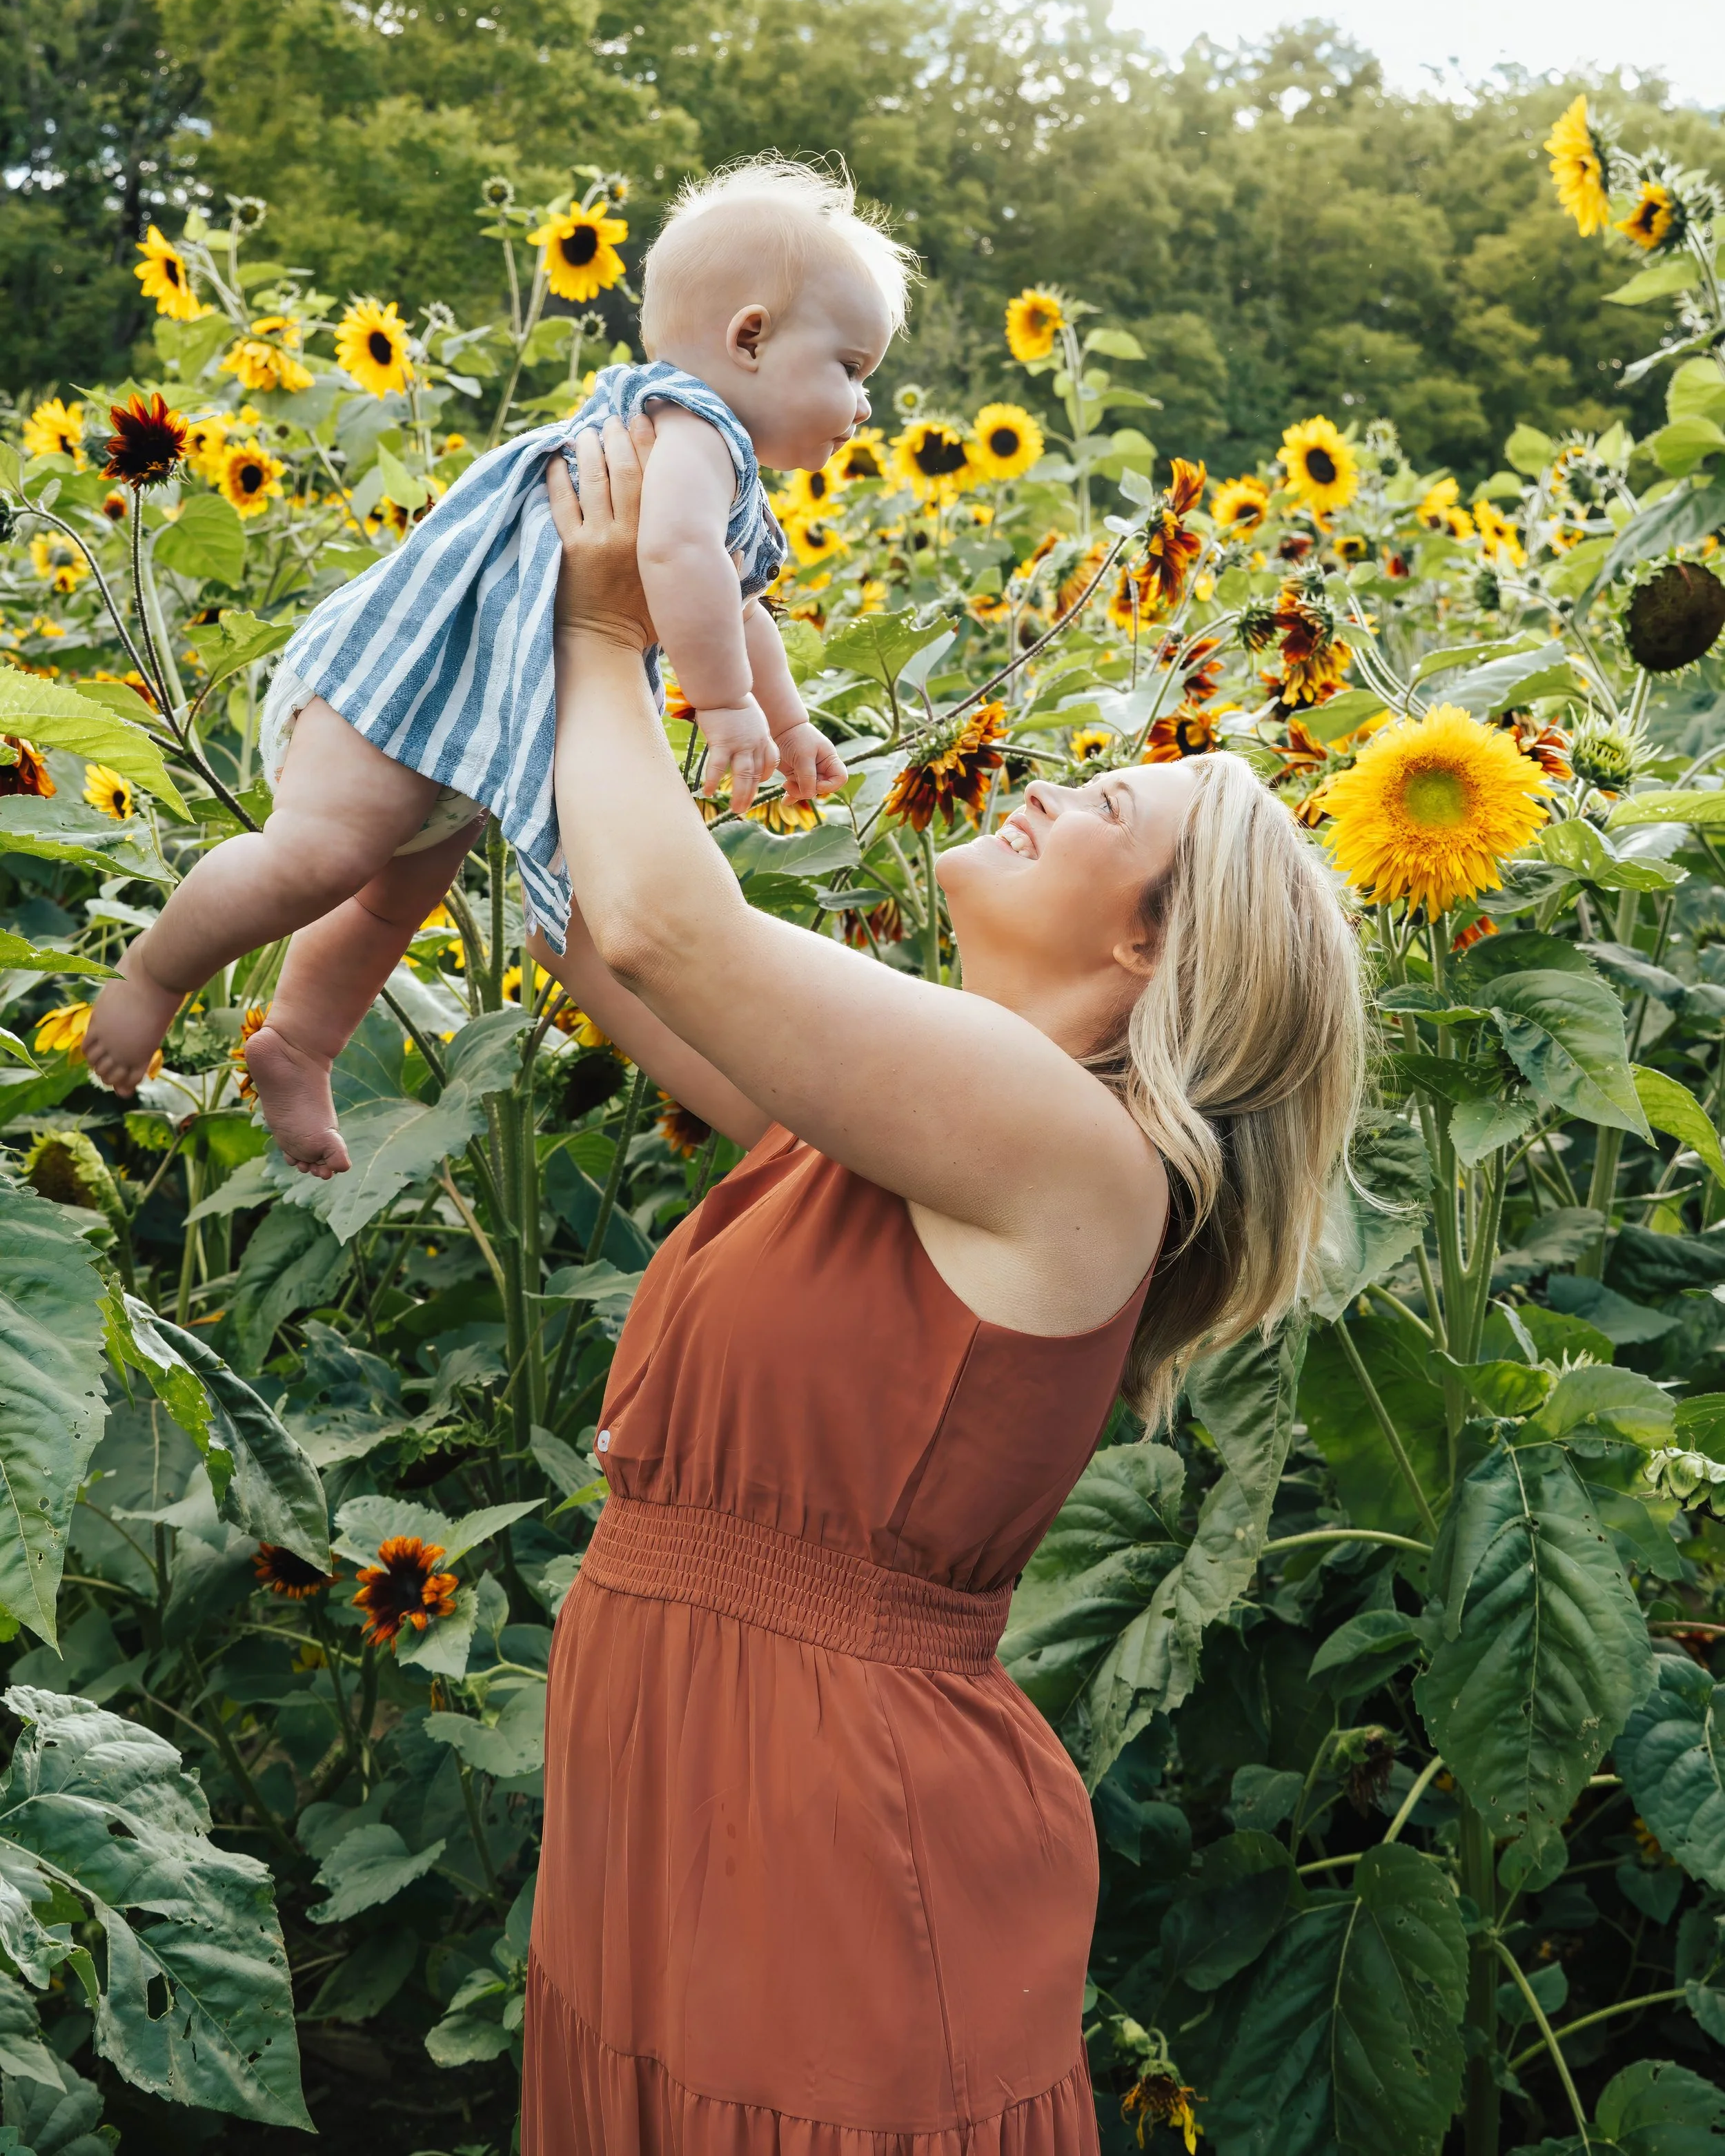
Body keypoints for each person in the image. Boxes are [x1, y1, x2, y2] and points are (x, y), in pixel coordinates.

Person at [521, 413, 1366, 2156]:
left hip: (831, 1821)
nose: (1051, 778)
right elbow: (591, 926)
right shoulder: (904, 1129)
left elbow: (672, 928)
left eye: (1106, 801)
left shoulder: (1066, 1152)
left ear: (1146, 946)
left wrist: (611, 630)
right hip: (689, 1779)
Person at [83, 160, 903, 1177]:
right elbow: (680, 561)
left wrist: (785, 721)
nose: (863, 405)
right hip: (397, 687)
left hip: (462, 734)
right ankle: (155, 975)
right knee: (319, 861)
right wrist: (726, 705)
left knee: (389, 901)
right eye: (852, 367)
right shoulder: (695, 430)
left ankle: (299, 1042)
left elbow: (741, 603)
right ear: (751, 337)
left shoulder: (715, 465)